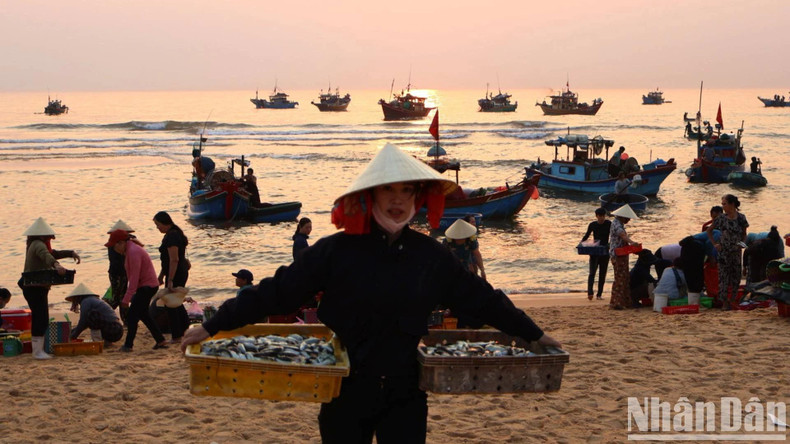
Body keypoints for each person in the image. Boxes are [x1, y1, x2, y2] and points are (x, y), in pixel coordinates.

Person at [180, 142, 560, 443]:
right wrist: (213, 325)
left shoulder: (431, 255)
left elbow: (482, 298)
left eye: (406, 191)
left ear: (418, 198)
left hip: (406, 392)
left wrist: (534, 334)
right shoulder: (335, 250)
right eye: (388, 191)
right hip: (345, 391)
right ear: (370, 197)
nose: (397, 200)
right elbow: (277, 291)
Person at [21, 217, 80, 359]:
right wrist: (57, 265)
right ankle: (37, 352)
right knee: (40, 317)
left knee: (41, 317)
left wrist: (70, 253)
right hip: (34, 287)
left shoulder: (35, 244)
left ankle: (38, 350)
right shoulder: (38, 245)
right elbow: (47, 256)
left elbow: (53, 253)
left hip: (36, 286)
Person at [105, 229, 168, 351]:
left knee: (132, 316)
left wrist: (126, 299)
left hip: (147, 286)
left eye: (114, 246)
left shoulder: (133, 252)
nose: (113, 249)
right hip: (146, 285)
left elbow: (133, 279)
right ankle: (160, 340)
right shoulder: (129, 250)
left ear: (121, 243)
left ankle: (128, 345)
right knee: (144, 315)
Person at [153, 211, 190, 344]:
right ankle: (186, 330)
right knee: (177, 302)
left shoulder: (172, 236)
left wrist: (170, 280)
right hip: (176, 271)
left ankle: (177, 336)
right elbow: (167, 260)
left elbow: (174, 259)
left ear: (164, 223)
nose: (157, 228)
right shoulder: (173, 233)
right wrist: (161, 275)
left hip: (176, 272)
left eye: (158, 225)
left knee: (171, 304)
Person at [707, 194, 749, 310]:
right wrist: (715, 244)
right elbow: (709, 231)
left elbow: (744, 234)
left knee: (736, 277)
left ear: (732, 204)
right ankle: (725, 303)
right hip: (723, 251)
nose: (723, 206)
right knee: (724, 277)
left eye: (724, 204)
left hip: (736, 251)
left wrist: (742, 245)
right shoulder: (721, 218)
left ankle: (733, 301)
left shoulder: (741, 218)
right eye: (722, 204)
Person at [105, 219, 138, 325]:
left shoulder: (117, 243)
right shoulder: (114, 244)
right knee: (117, 297)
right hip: (117, 273)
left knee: (122, 297)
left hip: (122, 273)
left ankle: (126, 320)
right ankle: (103, 312)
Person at [608, 205, 640, 310]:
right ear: (623, 217)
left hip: (621, 254)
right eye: (628, 218)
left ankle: (625, 302)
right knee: (620, 278)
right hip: (617, 255)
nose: (629, 220)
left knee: (624, 277)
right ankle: (617, 302)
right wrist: (632, 242)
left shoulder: (619, 223)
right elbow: (622, 235)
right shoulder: (617, 224)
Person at [581, 208, 611, 300]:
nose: (601, 218)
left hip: (605, 251)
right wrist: (581, 244)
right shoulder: (592, 225)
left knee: (602, 273)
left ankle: (599, 294)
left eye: (603, 216)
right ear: (596, 216)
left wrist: (610, 245)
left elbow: (613, 236)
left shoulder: (609, 224)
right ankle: (590, 293)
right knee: (592, 273)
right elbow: (586, 236)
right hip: (595, 251)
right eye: (600, 216)